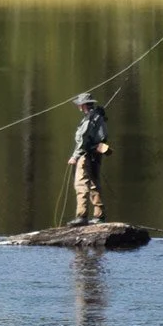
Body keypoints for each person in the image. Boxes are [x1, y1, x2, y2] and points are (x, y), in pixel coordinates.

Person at [66, 92, 109, 226]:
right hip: (96, 154)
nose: (78, 106)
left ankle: (82, 216)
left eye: (79, 104)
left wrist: (75, 157)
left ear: (83, 105)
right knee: (94, 184)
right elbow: (103, 136)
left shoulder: (89, 119)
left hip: (85, 155)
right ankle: (99, 216)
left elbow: (83, 139)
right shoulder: (99, 116)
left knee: (81, 185)